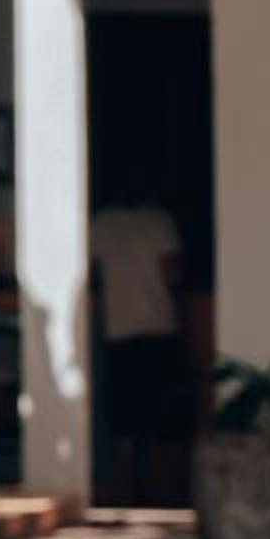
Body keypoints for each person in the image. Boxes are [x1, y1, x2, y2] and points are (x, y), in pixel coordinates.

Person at [87, 196, 189, 507]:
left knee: (124, 424)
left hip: (118, 330)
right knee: (163, 422)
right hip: (160, 326)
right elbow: (173, 274)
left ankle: (127, 496)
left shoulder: (101, 224)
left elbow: (90, 272)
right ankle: (165, 497)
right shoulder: (159, 221)